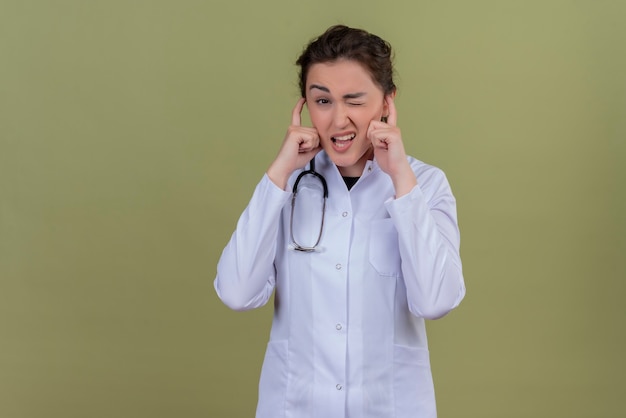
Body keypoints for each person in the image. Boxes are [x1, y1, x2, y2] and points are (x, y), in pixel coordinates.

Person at [214, 25, 465, 418]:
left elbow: (436, 301)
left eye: (354, 100)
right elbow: (236, 291)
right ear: (305, 106)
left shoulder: (425, 185)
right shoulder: (288, 186)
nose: (338, 120)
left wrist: (401, 179)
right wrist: (279, 173)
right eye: (323, 101)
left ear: (386, 102)